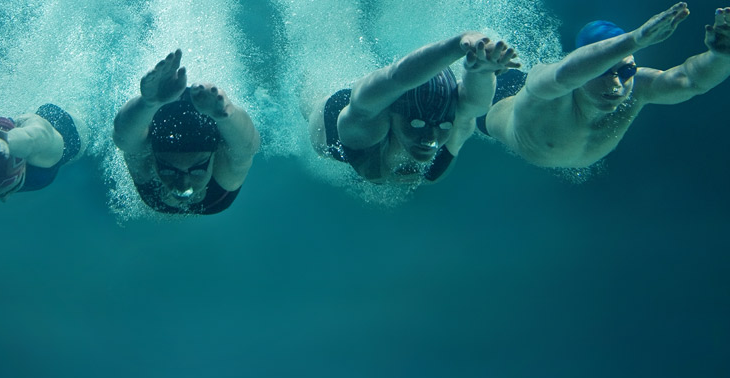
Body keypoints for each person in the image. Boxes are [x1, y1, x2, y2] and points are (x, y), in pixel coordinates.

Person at [485, 3, 730, 169]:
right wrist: (636, 40)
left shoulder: (638, 87)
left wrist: (721, 56)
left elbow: (690, 80)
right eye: (601, 71)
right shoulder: (548, 87)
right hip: (487, 109)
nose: (616, 84)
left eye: (626, 71)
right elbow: (564, 73)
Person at [309, 32, 520, 185]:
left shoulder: (456, 123)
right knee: (311, 98)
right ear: (391, 112)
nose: (430, 136)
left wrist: (482, 72)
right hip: (334, 123)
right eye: (416, 124)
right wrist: (458, 44)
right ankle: (305, 82)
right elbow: (396, 78)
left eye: (444, 124)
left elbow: (476, 104)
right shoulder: (367, 125)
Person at [113, 49, 260, 215]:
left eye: (198, 171)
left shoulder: (223, 166)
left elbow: (123, 137)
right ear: (152, 156)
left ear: (216, 154)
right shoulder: (147, 160)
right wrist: (149, 104)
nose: (183, 185)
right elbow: (247, 146)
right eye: (167, 170)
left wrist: (227, 114)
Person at [0, 104, 86, 201]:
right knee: (52, 115)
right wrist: (7, 139)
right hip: (65, 135)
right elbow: (34, 137)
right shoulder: (45, 157)